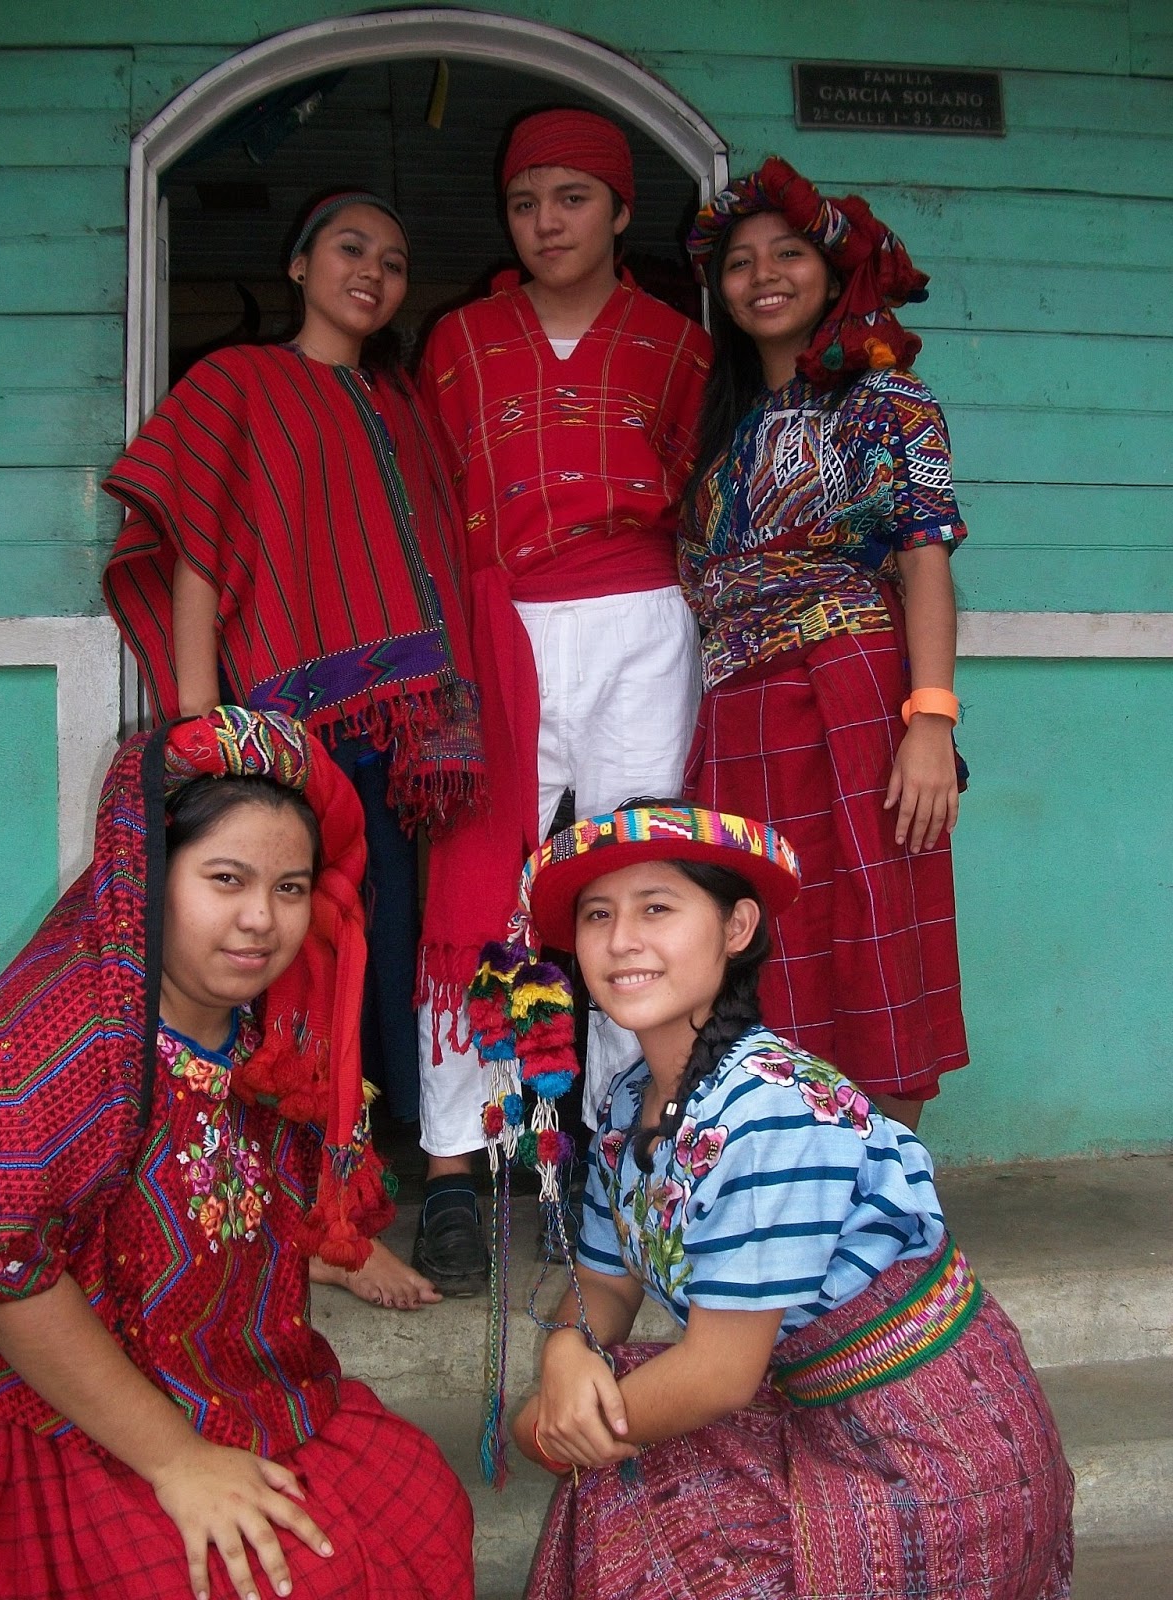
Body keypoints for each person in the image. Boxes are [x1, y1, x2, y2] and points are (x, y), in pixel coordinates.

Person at [495, 803, 1073, 1600]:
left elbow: (720, 1375)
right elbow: (604, 1285)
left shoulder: (768, 1109)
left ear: (736, 928)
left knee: (633, 1485)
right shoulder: (631, 1103)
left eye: (656, 907)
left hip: (927, 1453)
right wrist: (565, 1355)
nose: (621, 940)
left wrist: (555, 1432)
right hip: (813, 1408)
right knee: (610, 1430)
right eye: (598, 914)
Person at [0, 706, 475, 1600]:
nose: (260, 920)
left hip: (244, 1389)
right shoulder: (60, 1036)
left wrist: (326, 1260)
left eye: (290, 888)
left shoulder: (266, 1042)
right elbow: (2, 1271)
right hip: (75, 1417)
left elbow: (205, 1207)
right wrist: (176, 1461)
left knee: (421, 1505)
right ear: (150, 877)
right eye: (226, 879)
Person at [102, 191, 487, 1304]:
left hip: (404, 745)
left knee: (389, 954)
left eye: (397, 259)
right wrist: (198, 730)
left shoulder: (403, 409)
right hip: (286, 737)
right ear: (299, 260)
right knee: (290, 960)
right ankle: (297, 1203)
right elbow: (197, 557)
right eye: (351, 248)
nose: (374, 271)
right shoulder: (238, 384)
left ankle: (366, 1189)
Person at [412, 110, 713, 1289]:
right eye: (526, 199)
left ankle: (605, 1146)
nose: (547, 220)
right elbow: (434, 499)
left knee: (625, 880)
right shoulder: (461, 340)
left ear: (622, 212)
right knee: (480, 880)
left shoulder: (680, 345)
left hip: (644, 618)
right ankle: (452, 1161)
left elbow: (702, 496)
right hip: (502, 623)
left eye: (573, 198)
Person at [680, 156, 969, 1130]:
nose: (762, 274)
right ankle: (789, 1175)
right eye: (740, 262)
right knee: (760, 934)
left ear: (833, 270)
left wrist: (930, 717)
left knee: (871, 929)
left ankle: (887, 1206)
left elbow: (927, 555)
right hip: (736, 711)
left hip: (849, 690)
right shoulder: (720, 431)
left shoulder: (894, 402)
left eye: (788, 252)